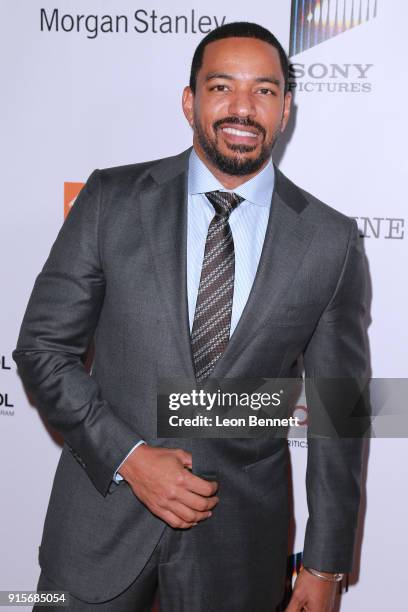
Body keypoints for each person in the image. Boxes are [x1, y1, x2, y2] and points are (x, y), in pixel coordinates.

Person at [13, 21, 368, 612]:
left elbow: (339, 409)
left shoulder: (330, 241)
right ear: (190, 100)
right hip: (98, 525)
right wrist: (131, 457)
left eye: (265, 91)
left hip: (240, 545)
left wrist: (326, 564)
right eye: (222, 86)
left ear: (286, 111)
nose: (242, 108)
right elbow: (43, 349)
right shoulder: (110, 200)